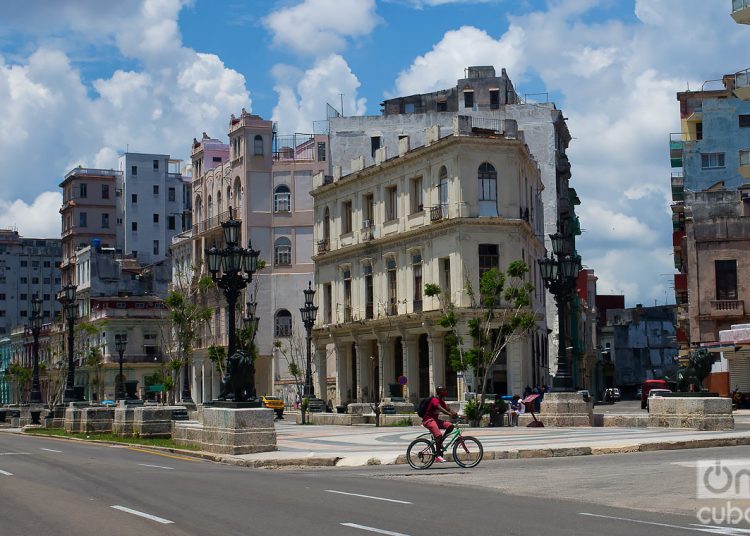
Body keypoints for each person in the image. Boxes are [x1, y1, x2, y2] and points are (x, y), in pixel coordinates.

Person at [421, 385, 458, 462]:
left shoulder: (442, 401)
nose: (446, 391)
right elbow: (440, 408)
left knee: (450, 426)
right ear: (440, 392)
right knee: (438, 435)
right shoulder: (435, 400)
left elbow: (448, 409)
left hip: (435, 420)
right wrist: (449, 414)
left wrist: (458, 415)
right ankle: (437, 455)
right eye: (444, 390)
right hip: (428, 420)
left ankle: (440, 442)